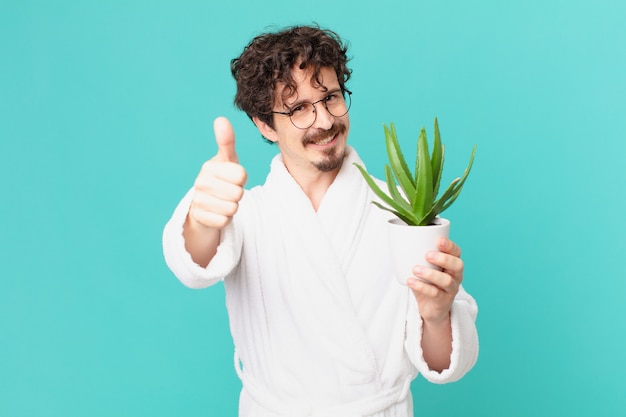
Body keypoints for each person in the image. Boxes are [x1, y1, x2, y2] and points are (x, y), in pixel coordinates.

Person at [163, 25, 478, 417]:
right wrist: (201, 216)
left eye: (330, 98)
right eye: (298, 109)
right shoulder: (243, 212)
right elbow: (193, 263)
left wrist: (436, 316)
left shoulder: (406, 211)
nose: (325, 121)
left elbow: (445, 364)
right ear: (264, 125)